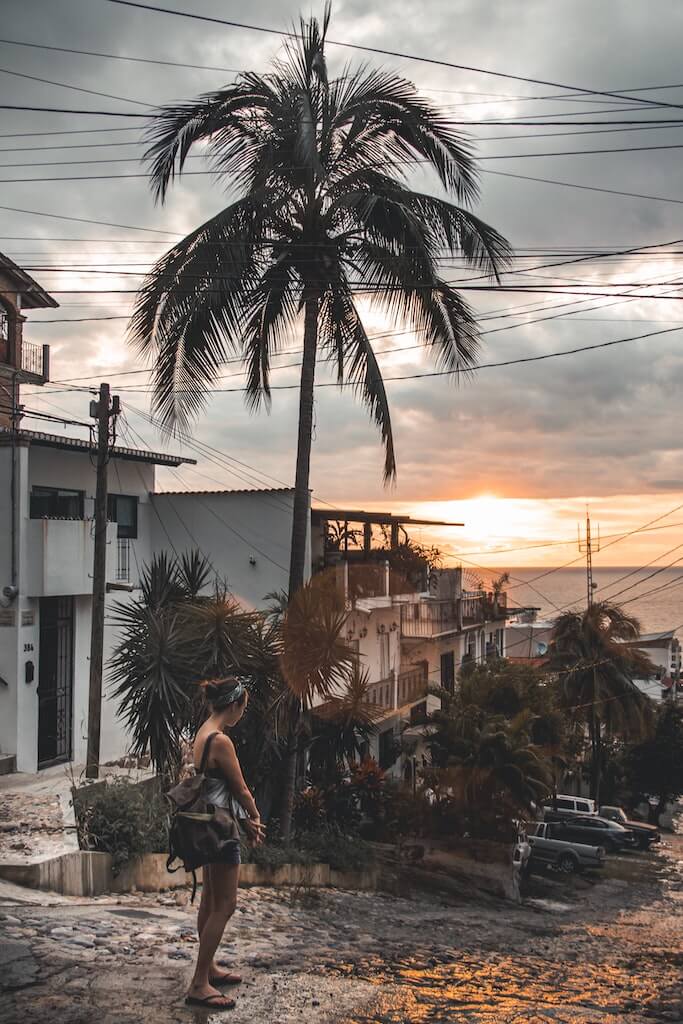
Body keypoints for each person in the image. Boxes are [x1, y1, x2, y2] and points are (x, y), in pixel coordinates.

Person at [186, 676, 265, 1010]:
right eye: (242, 708)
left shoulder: (203, 732)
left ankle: (209, 969)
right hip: (221, 828)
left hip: (206, 824)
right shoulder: (221, 741)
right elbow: (241, 788)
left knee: (210, 900)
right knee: (226, 904)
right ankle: (199, 983)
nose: (242, 714)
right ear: (234, 705)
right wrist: (255, 818)